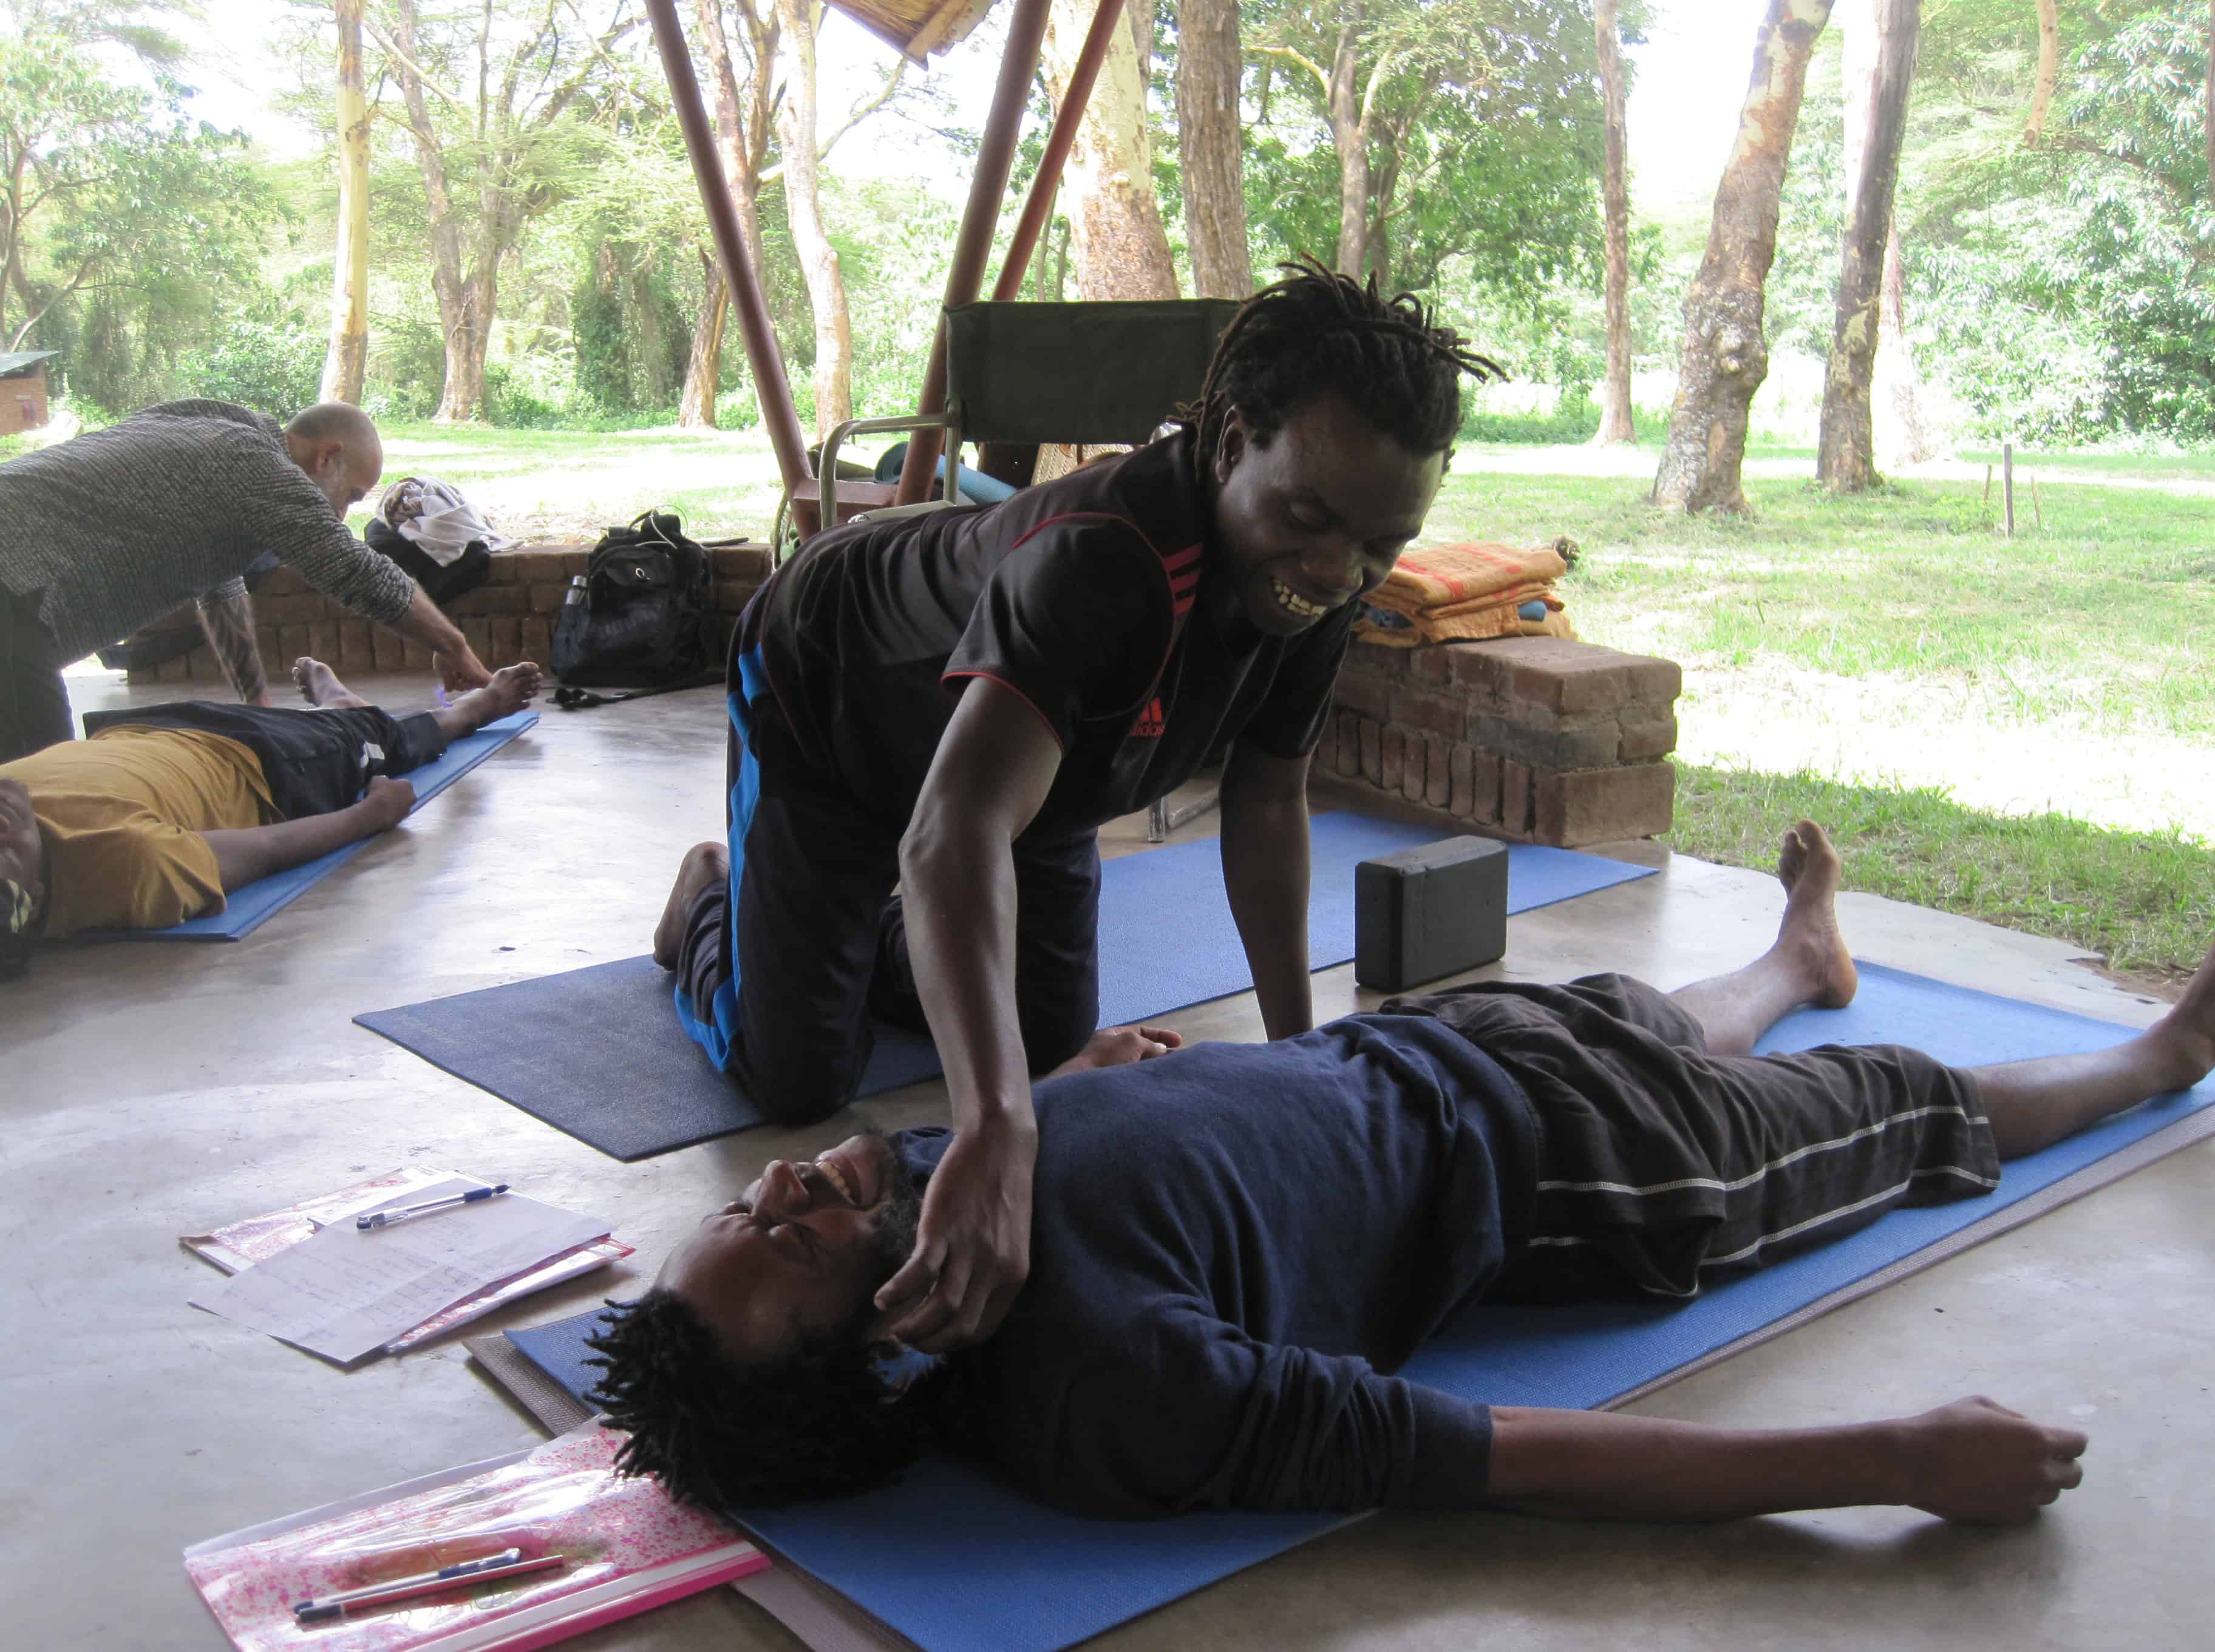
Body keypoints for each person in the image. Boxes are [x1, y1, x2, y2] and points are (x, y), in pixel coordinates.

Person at [591, 822, 2215, 1527]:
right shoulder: (1110, 1397)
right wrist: (1895, 1461)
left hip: (1431, 1047)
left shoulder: (933, 1214)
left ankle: (1796, 958)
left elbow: (1051, 1150)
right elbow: (1504, 1457)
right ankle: (2159, 1063)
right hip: (1587, 1175)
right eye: (790, 1242)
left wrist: (1082, 1082)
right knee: (1907, 1101)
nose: (792, 1193)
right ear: (888, 1358)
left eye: (747, 1204)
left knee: (1654, 1008)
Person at [655, 261, 1502, 1355]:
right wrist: (990, 1121)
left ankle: (868, 927)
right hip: (831, 700)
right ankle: (710, 906)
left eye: (1379, 545)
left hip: (1028, 788)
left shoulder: (1321, 578)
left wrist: (1302, 1057)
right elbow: (950, 831)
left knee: (1053, 1052)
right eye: (1307, 518)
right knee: (800, 1078)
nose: (1337, 567)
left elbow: (1267, 803)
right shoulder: (1105, 558)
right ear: (1232, 439)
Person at [0, 398, 497, 761]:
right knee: (46, 787)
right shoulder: (255, 465)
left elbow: (221, 584)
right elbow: (355, 570)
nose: (343, 513)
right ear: (325, 457)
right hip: (12, 587)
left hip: (16, 593)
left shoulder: (214, 432)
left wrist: (257, 706)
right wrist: (452, 645)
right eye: (350, 494)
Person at [0, 658, 540, 964]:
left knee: (348, 727)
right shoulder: (125, 867)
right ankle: (470, 711)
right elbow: (267, 850)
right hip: (261, 765)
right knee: (378, 740)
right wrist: (372, 815)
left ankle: (340, 709)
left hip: (147, 728)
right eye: (7, 850)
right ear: (39, 893)